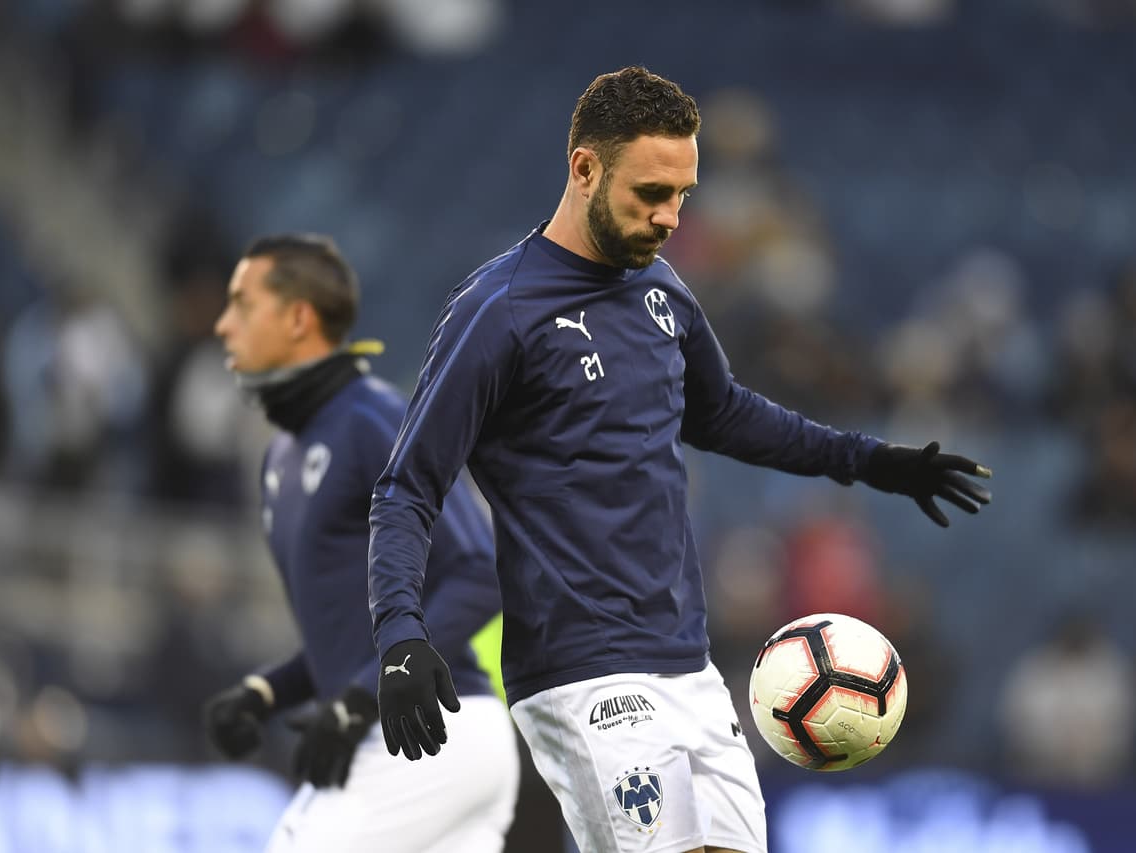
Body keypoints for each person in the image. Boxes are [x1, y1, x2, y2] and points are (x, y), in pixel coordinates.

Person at [368, 67, 992, 853]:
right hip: (582, 668)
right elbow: (406, 487)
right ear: (585, 168)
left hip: (686, 665)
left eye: (683, 195)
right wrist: (399, 634)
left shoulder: (661, 292)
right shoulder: (498, 312)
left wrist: (871, 461)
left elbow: (724, 412)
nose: (669, 217)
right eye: (650, 193)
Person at [203, 234, 518, 852]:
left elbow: (480, 572)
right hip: (410, 737)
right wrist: (266, 692)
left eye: (242, 304)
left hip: (433, 730)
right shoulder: (281, 459)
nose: (222, 325)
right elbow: (346, 633)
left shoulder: (370, 417)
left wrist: (353, 701)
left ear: (299, 318)